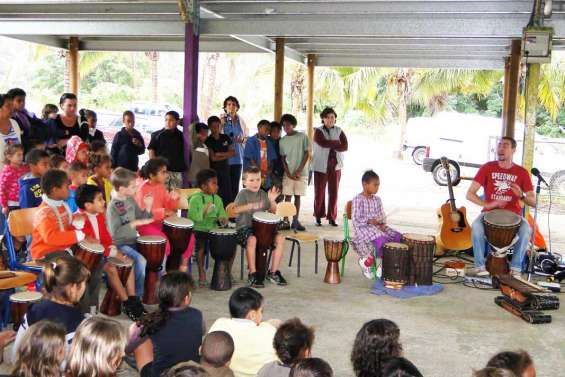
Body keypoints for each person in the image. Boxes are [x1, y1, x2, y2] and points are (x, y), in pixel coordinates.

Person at [466, 137, 534, 277]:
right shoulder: (487, 168)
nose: (501, 148)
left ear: (513, 150)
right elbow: (469, 194)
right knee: (476, 227)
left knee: (526, 230)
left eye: (506, 146)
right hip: (489, 213)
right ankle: (479, 266)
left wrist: (521, 195)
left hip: (513, 216)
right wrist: (488, 204)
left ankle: (515, 268)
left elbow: (533, 201)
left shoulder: (522, 172)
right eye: (500, 145)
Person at [75, 184, 144, 320]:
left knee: (128, 262)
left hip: (102, 255)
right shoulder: (80, 220)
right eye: (100, 199)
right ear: (88, 205)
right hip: (88, 259)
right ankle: (126, 303)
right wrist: (114, 254)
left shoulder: (99, 216)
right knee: (112, 268)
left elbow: (106, 239)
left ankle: (133, 299)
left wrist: (117, 252)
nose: (104, 202)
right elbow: (95, 246)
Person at [12, 255, 89, 361]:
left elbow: (16, 354)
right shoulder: (80, 322)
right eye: (84, 283)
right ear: (73, 287)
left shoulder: (33, 310)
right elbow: (77, 365)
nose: (85, 288)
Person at [127, 272, 204, 377]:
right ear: (186, 298)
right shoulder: (198, 315)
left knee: (141, 341)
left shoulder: (151, 321)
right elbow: (200, 332)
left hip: (162, 374)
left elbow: (128, 349)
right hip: (189, 372)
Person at [233, 166, 287, 288]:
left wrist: (272, 200)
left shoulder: (263, 194)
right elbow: (234, 210)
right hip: (244, 229)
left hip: (262, 230)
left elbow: (273, 211)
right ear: (244, 182)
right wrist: (250, 206)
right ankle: (253, 274)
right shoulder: (242, 194)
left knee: (280, 238)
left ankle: (273, 272)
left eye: (257, 179)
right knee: (252, 239)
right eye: (251, 180)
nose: (255, 183)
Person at [208, 287, 278, 377]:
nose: (262, 315)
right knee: (276, 322)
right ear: (252, 315)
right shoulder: (269, 331)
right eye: (261, 311)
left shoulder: (220, 324)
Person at [107, 167, 154, 296]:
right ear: (122, 189)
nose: (136, 189)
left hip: (133, 241)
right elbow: (114, 234)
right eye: (133, 187)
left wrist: (148, 207)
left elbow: (143, 218)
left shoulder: (130, 200)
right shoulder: (113, 207)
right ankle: (136, 297)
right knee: (141, 261)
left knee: (152, 261)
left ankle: (143, 292)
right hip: (120, 245)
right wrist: (133, 224)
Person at [352, 170, 401, 279]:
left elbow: (381, 214)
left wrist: (382, 223)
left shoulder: (377, 200)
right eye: (375, 185)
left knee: (397, 236)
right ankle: (377, 264)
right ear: (365, 184)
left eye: (378, 185)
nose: (377, 188)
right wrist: (370, 221)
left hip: (377, 227)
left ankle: (384, 265)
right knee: (382, 240)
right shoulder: (357, 199)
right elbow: (355, 219)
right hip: (364, 228)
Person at [30, 169, 88, 261]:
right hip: (45, 253)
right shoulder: (44, 214)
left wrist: (76, 220)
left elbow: (65, 222)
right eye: (66, 187)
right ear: (55, 190)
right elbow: (51, 237)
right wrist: (77, 235)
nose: (69, 189)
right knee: (74, 266)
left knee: (88, 258)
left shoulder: (61, 205)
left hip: (62, 249)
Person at [135, 158, 183, 269]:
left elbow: (169, 207)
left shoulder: (161, 186)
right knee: (164, 243)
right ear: (152, 175)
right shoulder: (142, 189)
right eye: (163, 172)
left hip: (161, 224)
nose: (166, 175)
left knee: (186, 239)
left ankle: (180, 268)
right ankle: (162, 273)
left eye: (166, 171)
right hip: (145, 226)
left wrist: (173, 199)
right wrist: (163, 212)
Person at [188, 169, 228, 287]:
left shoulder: (218, 199)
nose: (217, 186)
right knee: (200, 248)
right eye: (213, 183)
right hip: (198, 229)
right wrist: (204, 211)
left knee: (226, 245)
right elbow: (192, 217)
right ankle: (201, 272)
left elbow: (222, 214)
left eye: (217, 183)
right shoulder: (195, 199)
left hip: (213, 229)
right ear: (203, 186)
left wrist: (223, 219)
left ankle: (223, 273)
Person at [312, 107, 348, 227]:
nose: (330, 119)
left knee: (334, 192)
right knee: (319, 193)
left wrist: (332, 144)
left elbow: (345, 146)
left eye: (332, 117)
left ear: (335, 118)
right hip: (320, 166)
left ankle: (332, 217)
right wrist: (336, 143)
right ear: (323, 119)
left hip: (335, 166)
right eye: (327, 117)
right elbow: (322, 143)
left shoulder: (339, 130)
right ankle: (318, 216)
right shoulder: (318, 131)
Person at [279, 114, 310, 231]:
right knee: (287, 197)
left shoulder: (302, 137)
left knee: (298, 197)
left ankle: (295, 221)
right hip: (289, 174)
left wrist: (299, 170)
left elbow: (307, 153)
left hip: (301, 173)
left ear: (293, 124)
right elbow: (283, 158)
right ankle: (285, 220)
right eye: (283, 125)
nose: (285, 127)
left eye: (288, 124)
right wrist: (288, 172)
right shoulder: (282, 141)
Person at [148, 110, 186, 190]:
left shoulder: (181, 136)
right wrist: (155, 167)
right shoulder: (157, 134)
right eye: (166, 120)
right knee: (161, 193)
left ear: (177, 121)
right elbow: (151, 150)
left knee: (176, 195)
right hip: (162, 170)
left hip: (176, 171)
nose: (168, 122)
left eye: (171, 120)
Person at [220, 96, 248, 204]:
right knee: (224, 186)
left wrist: (243, 139)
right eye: (228, 104)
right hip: (225, 158)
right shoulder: (222, 119)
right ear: (225, 107)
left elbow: (246, 136)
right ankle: (223, 212)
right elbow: (216, 133)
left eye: (234, 104)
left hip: (238, 158)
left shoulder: (241, 120)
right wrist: (221, 123)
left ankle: (232, 212)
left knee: (235, 186)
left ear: (237, 107)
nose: (231, 106)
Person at [7, 88, 49, 154]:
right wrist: (34, 144)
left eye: (24, 100)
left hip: (33, 146)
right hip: (20, 151)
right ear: (11, 101)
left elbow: (43, 126)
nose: (22, 103)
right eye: (19, 101)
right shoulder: (9, 118)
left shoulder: (26, 114)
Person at [206, 116, 235, 206]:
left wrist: (220, 154)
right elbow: (213, 158)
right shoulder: (208, 140)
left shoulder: (225, 137)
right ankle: (216, 216)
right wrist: (226, 154)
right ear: (210, 127)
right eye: (213, 126)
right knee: (215, 193)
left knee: (227, 193)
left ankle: (228, 215)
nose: (216, 128)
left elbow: (233, 152)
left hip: (225, 169)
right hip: (214, 171)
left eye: (218, 126)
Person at [243, 120, 277, 190]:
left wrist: (270, 170)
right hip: (254, 174)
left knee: (265, 196)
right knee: (253, 196)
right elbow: (251, 159)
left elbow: (272, 159)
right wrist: (260, 171)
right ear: (259, 128)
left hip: (266, 176)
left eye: (269, 130)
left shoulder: (269, 142)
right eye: (266, 129)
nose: (267, 132)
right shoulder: (251, 141)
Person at [0, 144, 28, 214]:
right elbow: (2, 190)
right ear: (9, 157)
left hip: (26, 201)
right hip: (13, 205)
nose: (21, 157)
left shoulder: (25, 167)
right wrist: (4, 206)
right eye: (18, 155)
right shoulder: (6, 172)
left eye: (22, 154)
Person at [0, 93, 22, 172]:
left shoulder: (14, 123)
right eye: (8, 106)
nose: (12, 108)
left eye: (12, 105)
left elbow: (19, 147)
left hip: (15, 172)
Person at [188, 122, 210, 187]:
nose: (206, 136)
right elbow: (191, 129)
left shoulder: (204, 145)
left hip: (205, 177)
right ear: (197, 134)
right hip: (196, 178)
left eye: (206, 133)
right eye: (203, 133)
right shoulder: (192, 145)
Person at [268, 121, 284, 192]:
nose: (276, 133)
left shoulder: (283, 141)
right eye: (274, 131)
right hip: (267, 171)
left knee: (278, 193)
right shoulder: (265, 141)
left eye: (278, 131)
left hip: (279, 171)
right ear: (269, 132)